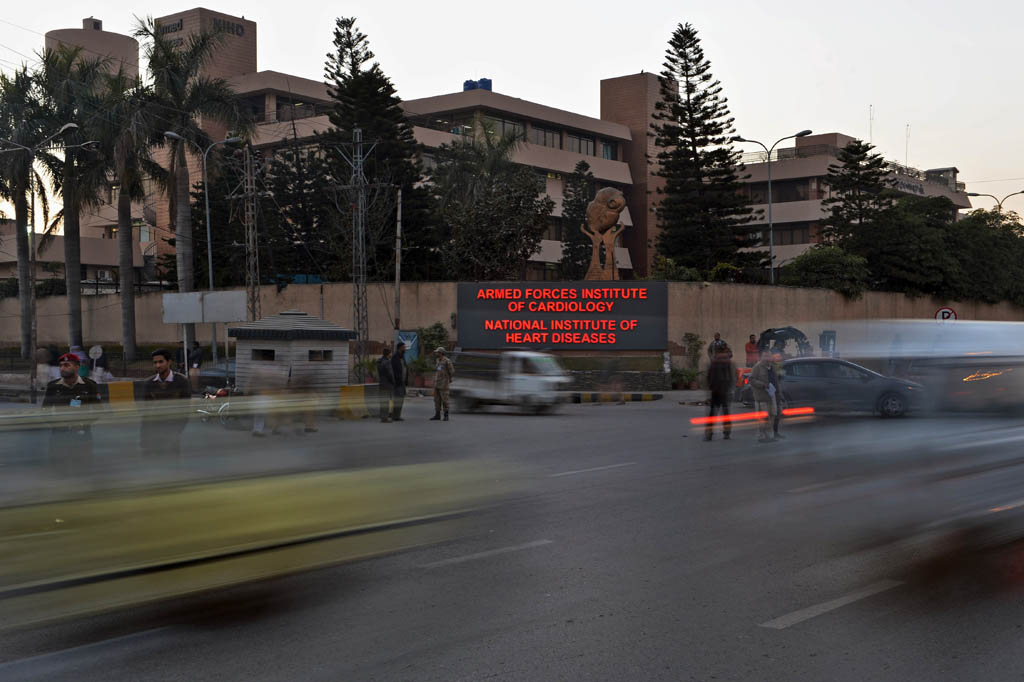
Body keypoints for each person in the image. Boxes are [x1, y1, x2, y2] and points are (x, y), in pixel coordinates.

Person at [42, 353, 102, 471]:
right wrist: (56, 425)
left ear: (77, 367)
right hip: (59, 435)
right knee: (58, 468)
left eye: (66, 365)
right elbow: (45, 410)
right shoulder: (53, 386)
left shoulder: (89, 385)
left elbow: (98, 410)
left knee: (82, 468)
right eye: (61, 365)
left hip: (81, 434)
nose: (62, 368)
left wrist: (83, 424)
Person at [140, 348, 192, 458]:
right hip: (153, 433)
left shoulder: (181, 381)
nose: (158, 365)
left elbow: (185, 410)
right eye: (155, 362)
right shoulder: (149, 383)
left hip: (172, 432)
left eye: (161, 362)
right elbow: (145, 413)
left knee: (171, 465)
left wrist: (176, 432)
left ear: (169, 362)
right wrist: (144, 441)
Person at [749, 351, 780, 443]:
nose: (767, 358)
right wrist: (763, 385)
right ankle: (762, 436)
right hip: (761, 396)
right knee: (763, 417)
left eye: (768, 356)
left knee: (772, 415)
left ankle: (769, 436)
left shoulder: (772, 367)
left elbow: (776, 382)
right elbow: (752, 380)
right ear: (761, 357)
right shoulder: (757, 367)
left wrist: (779, 394)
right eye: (765, 356)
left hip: (772, 395)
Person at [704, 347, 735, 441]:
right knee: (720, 414)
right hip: (720, 392)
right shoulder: (718, 364)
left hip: (720, 392)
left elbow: (729, 377)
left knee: (717, 414)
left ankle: (715, 433)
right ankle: (721, 433)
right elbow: (710, 377)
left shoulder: (721, 363)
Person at [430, 347, 455, 422]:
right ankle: (437, 415)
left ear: (441, 353)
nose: (436, 353)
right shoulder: (437, 360)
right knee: (436, 400)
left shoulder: (447, 361)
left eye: (437, 352)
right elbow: (437, 370)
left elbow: (452, 371)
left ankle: (446, 415)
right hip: (437, 383)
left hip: (444, 384)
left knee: (445, 400)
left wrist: (449, 379)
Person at [391, 342, 409, 421]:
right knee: (398, 399)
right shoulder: (395, 357)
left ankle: (397, 415)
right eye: (404, 347)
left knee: (400, 399)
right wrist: (396, 379)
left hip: (402, 382)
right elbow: (394, 370)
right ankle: (395, 416)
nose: (405, 348)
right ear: (400, 348)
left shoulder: (402, 356)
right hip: (398, 382)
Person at [377, 348, 395, 423]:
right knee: (386, 401)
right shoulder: (387, 362)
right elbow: (390, 374)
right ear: (388, 354)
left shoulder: (379, 361)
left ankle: (382, 417)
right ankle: (385, 418)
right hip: (387, 383)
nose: (392, 354)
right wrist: (393, 382)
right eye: (391, 353)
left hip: (382, 382)